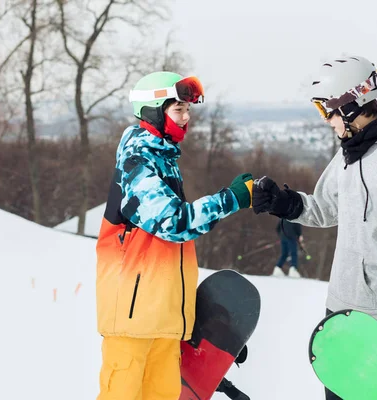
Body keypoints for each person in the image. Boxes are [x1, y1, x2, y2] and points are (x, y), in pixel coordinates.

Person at [251, 56, 377, 399]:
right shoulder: (350, 154)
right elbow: (325, 208)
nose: (328, 121)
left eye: (329, 111)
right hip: (340, 310)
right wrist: (285, 203)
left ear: (352, 105)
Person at [95, 71, 254, 400]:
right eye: (178, 109)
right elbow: (174, 223)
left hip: (163, 321)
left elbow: (166, 253)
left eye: (188, 111)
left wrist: (196, 323)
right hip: (132, 320)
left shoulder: (165, 161)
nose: (186, 119)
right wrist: (232, 199)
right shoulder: (136, 164)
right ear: (153, 111)